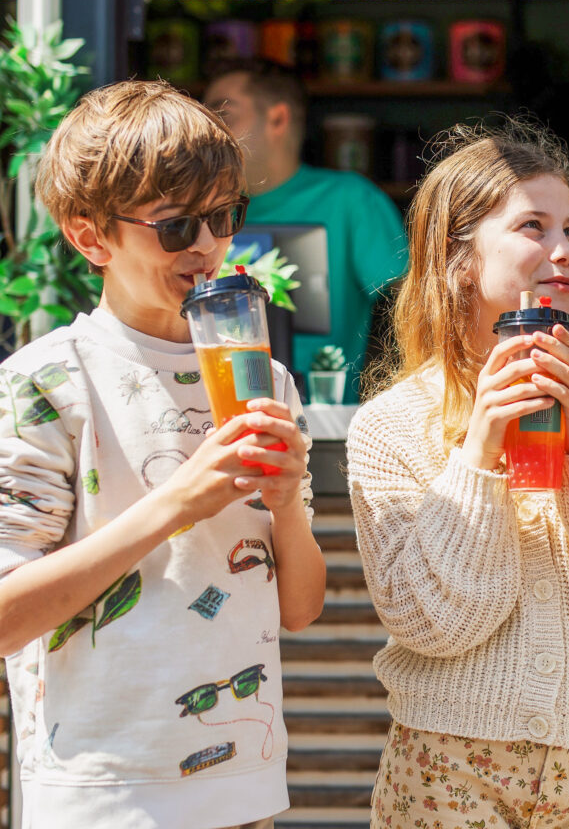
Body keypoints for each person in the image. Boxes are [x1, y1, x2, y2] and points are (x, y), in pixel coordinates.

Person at [345, 118, 569, 827]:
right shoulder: (391, 425)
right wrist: (479, 452)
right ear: (460, 259)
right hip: (448, 774)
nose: (564, 250)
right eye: (533, 227)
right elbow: (432, 622)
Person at [0, 81, 326, 829]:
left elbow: (301, 607)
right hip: (103, 795)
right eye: (177, 226)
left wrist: (285, 506)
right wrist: (179, 501)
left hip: (245, 786)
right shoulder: (48, 380)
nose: (209, 246)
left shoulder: (263, 375)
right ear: (91, 238)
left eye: (223, 217)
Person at [202, 61, 407, 402]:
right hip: (209, 416)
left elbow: (415, 311)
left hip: (326, 424)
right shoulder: (193, 211)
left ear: (278, 119)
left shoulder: (349, 199)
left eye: (223, 115)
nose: (210, 132)